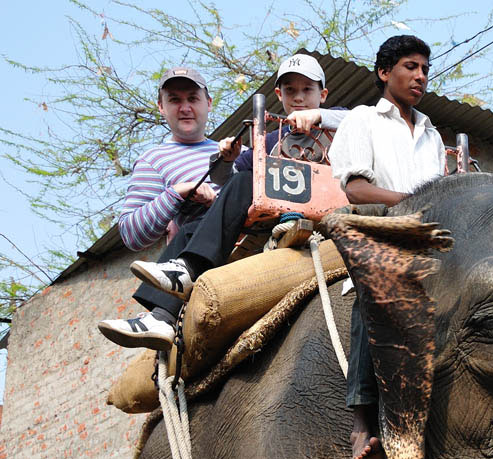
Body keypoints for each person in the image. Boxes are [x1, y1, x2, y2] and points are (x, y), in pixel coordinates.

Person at [97, 54, 347, 350]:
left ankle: (185, 270)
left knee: (237, 190)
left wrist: (320, 116)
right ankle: (162, 314)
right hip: (258, 220)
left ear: (323, 95)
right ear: (279, 95)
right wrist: (224, 159)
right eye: (291, 91)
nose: (300, 98)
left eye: (308, 90)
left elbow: (365, 121)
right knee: (202, 220)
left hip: (318, 206)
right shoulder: (269, 138)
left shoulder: (339, 123)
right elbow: (232, 175)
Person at [328, 35, 446, 459]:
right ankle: (361, 419)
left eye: (425, 69)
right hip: (380, 234)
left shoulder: (432, 133)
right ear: (384, 72)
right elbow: (356, 188)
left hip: (431, 243)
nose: (420, 76)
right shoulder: (362, 120)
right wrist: (413, 206)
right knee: (374, 290)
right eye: (410, 67)